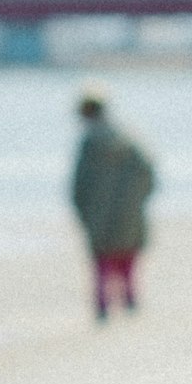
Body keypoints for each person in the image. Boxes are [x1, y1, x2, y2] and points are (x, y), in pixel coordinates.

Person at [68, 90, 156, 322]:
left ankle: (103, 308)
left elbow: (79, 186)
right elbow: (148, 175)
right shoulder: (129, 140)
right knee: (127, 263)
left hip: (100, 217)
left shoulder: (89, 145)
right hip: (129, 215)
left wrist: (84, 212)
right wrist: (135, 202)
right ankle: (129, 301)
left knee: (102, 266)